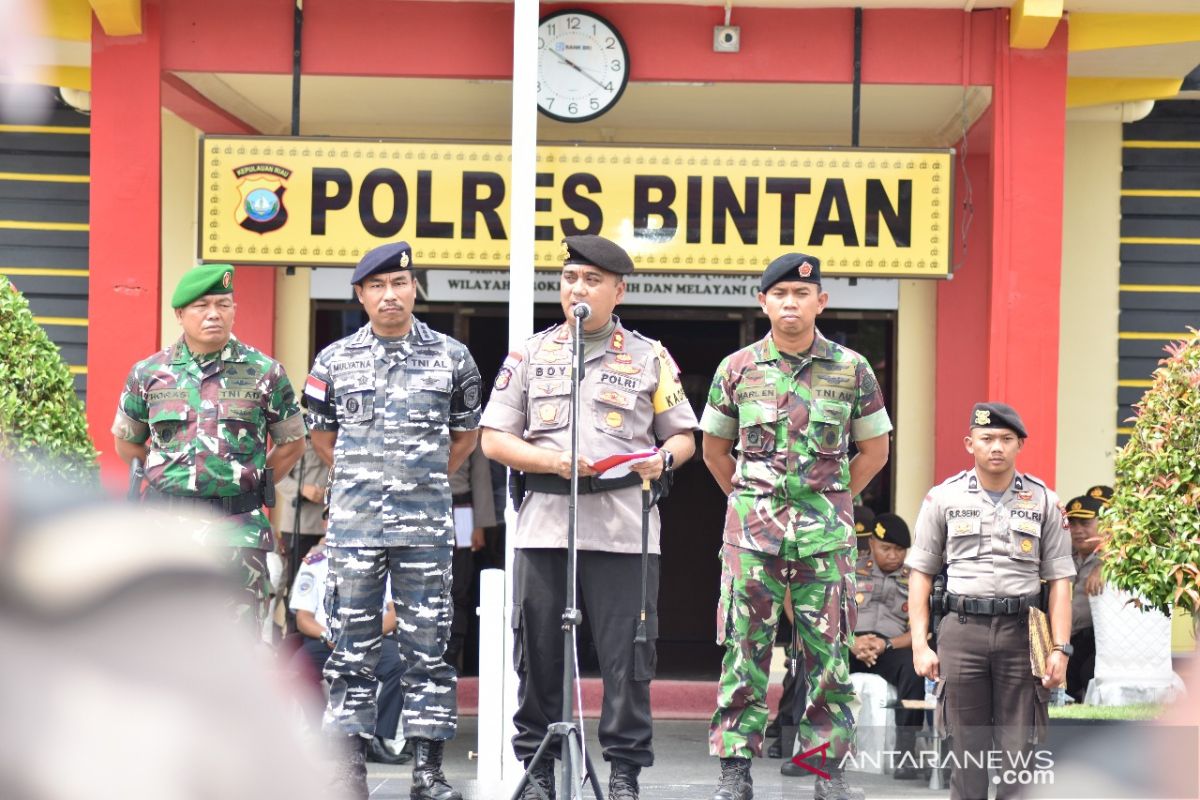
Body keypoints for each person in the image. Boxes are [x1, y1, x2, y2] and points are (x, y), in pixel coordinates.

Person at [480, 234, 699, 800]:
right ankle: (540, 772)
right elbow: (494, 440)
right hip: (546, 524)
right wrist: (549, 459)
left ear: (617, 290)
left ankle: (624, 774)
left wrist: (662, 457)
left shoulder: (651, 356)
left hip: (625, 527)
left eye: (592, 280)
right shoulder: (530, 354)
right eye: (570, 278)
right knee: (539, 656)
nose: (578, 289)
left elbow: (683, 437)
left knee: (628, 660)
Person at [700, 252, 892, 800]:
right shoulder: (736, 368)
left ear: (820, 302)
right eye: (780, 294)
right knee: (744, 650)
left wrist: (829, 503)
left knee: (828, 655)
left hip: (824, 540)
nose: (791, 303)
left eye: (802, 294)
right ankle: (735, 773)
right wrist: (750, 506)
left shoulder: (852, 368)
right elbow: (715, 451)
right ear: (763, 302)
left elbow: (875, 450)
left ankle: (823, 771)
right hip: (751, 540)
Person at [304, 241, 482, 800]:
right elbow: (323, 436)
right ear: (360, 295)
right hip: (354, 526)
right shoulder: (333, 361)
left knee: (428, 649)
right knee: (350, 648)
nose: (390, 295)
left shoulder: (453, 357)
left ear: (414, 288)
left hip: (426, 526)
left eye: (399, 284)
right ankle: (347, 772)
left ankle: (427, 773)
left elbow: (465, 437)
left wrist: (417, 477)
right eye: (377, 287)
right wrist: (368, 477)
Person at [110, 263, 306, 629]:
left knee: (237, 652)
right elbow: (128, 442)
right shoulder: (148, 373)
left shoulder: (266, 373)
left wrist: (248, 484)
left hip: (238, 532)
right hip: (166, 535)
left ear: (234, 310)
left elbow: (292, 444)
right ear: (180, 314)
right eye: (202, 306)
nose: (214, 314)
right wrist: (167, 481)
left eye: (223, 304)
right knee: (159, 643)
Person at [906, 402, 1076, 800]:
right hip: (961, 631)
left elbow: (1061, 582)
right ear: (970, 443)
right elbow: (921, 573)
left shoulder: (1044, 501)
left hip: (1023, 632)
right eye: (986, 439)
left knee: (1022, 751)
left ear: (1020, 444)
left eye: (1006, 439)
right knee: (967, 753)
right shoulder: (942, 499)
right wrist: (919, 643)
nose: (996, 447)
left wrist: (1060, 649)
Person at [289, 534, 412, 765]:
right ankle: (322, 736)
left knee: (399, 663)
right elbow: (303, 619)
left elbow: (395, 614)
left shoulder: (378, 560)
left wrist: (365, 635)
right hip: (325, 639)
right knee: (297, 669)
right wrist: (326, 634)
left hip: (369, 637)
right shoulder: (314, 563)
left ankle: (379, 739)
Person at [767, 504, 877, 761]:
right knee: (800, 666)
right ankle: (789, 739)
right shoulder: (816, 545)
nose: (860, 550)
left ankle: (830, 751)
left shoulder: (879, 567)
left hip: (859, 638)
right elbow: (789, 595)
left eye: (864, 543)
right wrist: (805, 630)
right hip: (819, 629)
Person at [846, 512, 924, 780]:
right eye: (886, 548)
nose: (894, 555)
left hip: (890, 648)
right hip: (850, 643)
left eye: (900, 550)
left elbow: (920, 631)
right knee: (818, 661)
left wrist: (885, 644)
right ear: (872, 545)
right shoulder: (851, 569)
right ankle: (815, 746)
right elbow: (830, 617)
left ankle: (907, 754)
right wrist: (851, 641)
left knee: (914, 670)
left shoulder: (915, 578)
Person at [445, 440, 496, 673]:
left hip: (461, 506)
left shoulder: (466, 416)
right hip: (422, 504)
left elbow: (480, 476)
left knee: (459, 585)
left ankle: (452, 654)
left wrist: (480, 525)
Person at [1064, 485, 1110, 703]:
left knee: (1083, 673)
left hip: (1091, 639)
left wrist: (1105, 566)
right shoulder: (1062, 555)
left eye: (1085, 523)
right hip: (1061, 637)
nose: (1077, 529)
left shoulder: (1111, 558)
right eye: (1072, 523)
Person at [276, 435, 332, 590]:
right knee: (297, 586)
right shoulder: (294, 435)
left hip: (332, 527)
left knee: (325, 586)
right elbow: (275, 476)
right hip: (300, 526)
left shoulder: (341, 431)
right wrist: (301, 489)